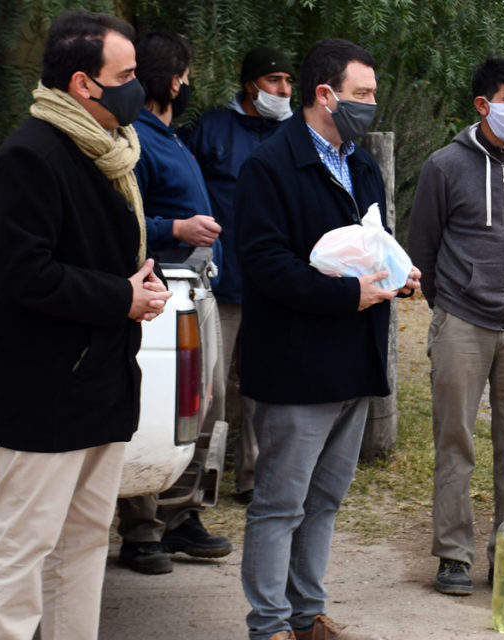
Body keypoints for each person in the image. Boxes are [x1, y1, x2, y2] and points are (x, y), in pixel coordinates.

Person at [0, 9, 172, 639]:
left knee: (85, 541)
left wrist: (143, 283)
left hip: (101, 381)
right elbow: (25, 274)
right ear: (84, 84)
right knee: (22, 547)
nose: (140, 86)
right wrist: (121, 296)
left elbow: (101, 250)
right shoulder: (31, 155)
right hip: (45, 391)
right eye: (128, 74)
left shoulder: (109, 152)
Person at [236, 37, 419, 640]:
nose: (372, 104)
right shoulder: (270, 165)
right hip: (296, 364)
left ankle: (306, 615)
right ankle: (268, 626)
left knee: (325, 502)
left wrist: (399, 275)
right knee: (279, 505)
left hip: (353, 361)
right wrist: (346, 294)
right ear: (325, 95)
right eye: (362, 94)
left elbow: (374, 245)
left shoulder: (361, 164)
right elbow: (264, 263)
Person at [407, 56, 504, 597]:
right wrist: (450, 302)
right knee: (456, 441)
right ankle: (453, 555)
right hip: (461, 322)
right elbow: (423, 244)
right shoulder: (444, 165)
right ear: (483, 104)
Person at [114, 31, 233, 575]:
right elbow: (126, 222)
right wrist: (177, 226)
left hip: (196, 289)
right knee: (158, 412)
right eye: (184, 74)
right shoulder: (135, 138)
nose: (189, 85)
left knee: (206, 407)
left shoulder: (171, 136)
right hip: (157, 295)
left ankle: (183, 515)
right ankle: (141, 530)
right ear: (169, 79)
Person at [181, 46, 296, 504]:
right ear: (250, 85)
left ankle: (254, 480)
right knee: (208, 390)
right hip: (221, 282)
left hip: (275, 285)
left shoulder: (295, 134)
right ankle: (192, 487)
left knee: (265, 389)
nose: (283, 91)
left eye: (289, 82)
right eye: (274, 82)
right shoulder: (210, 128)